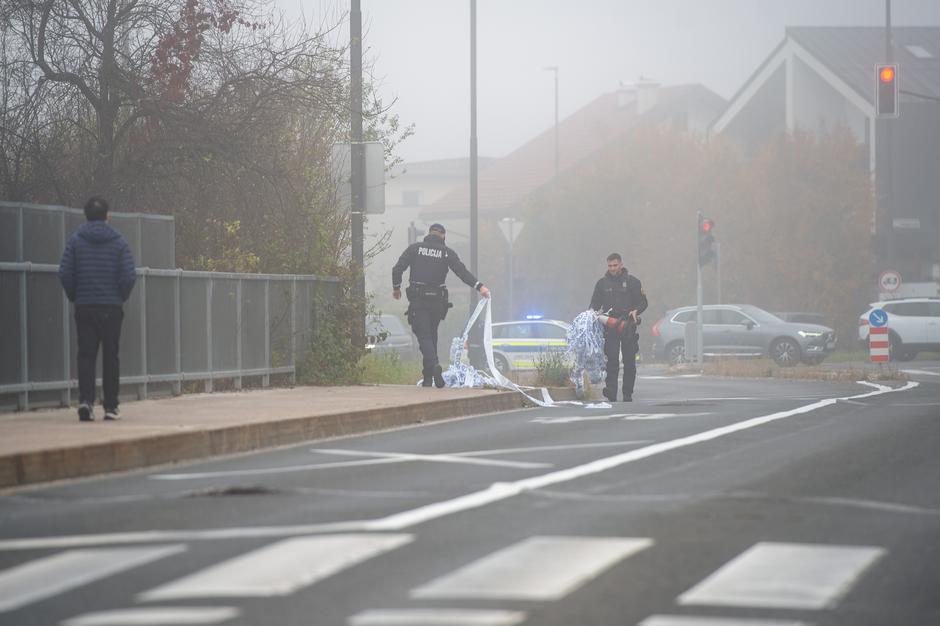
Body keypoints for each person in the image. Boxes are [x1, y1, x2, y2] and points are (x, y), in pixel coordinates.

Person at [58, 197, 137, 421]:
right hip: (111, 308)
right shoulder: (119, 242)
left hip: (85, 306)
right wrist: (119, 297)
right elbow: (129, 275)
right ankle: (111, 407)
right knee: (111, 356)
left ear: (86, 216)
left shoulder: (76, 241)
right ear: (107, 216)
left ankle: (86, 401)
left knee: (86, 355)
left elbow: (65, 272)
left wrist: (76, 296)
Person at [392, 223, 490, 387]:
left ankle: (435, 365)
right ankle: (428, 378)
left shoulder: (414, 249)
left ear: (429, 233)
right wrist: (480, 287)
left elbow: (397, 269)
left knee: (424, 336)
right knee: (431, 336)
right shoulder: (446, 253)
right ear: (443, 236)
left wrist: (396, 288)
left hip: (419, 300)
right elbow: (462, 272)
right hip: (437, 301)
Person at [590, 253, 647, 402]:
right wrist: (592, 315)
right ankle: (611, 392)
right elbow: (594, 304)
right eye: (610, 266)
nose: (612, 268)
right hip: (610, 326)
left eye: (615, 265)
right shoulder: (602, 284)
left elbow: (643, 302)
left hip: (628, 325)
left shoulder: (633, 282)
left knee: (629, 361)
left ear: (621, 264)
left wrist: (636, 311)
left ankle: (627, 393)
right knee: (612, 360)